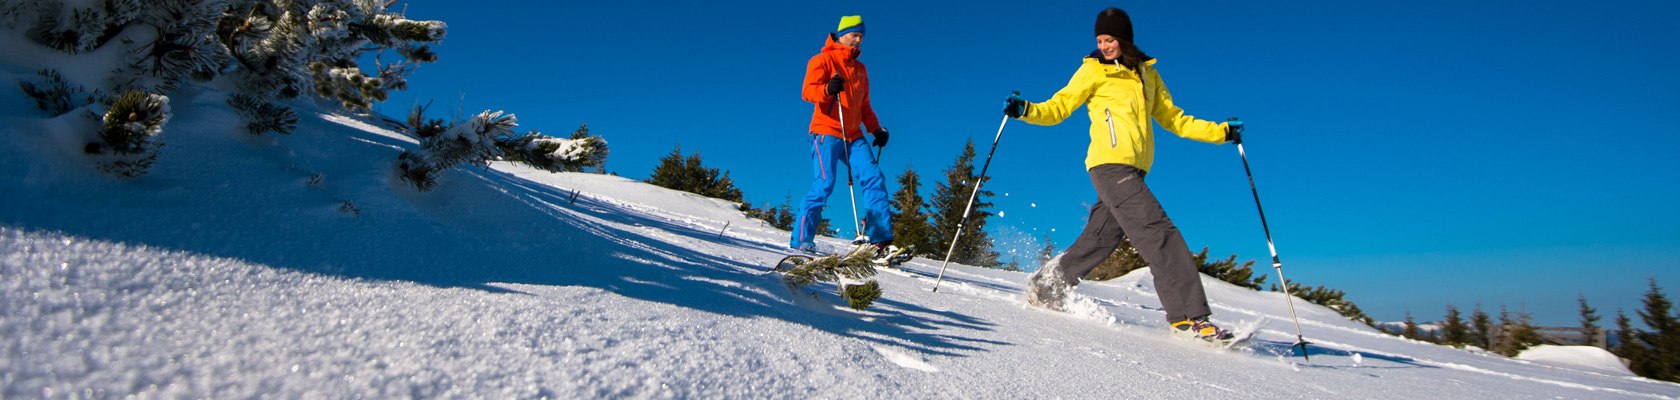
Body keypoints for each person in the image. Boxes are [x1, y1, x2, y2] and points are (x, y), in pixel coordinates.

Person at [1011, 7, 1245, 342]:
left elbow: (1175, 119)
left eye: (1110, 39)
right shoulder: (1092, 72)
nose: (1105, 46)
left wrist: (1221, 132)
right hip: (1109, 165)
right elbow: (1058, 107)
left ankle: (1046, 286)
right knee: (1158, 231)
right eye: (1100, 40)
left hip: (1134, 170)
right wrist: (1027, 110)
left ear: (1125, 39)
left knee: (1102, 237)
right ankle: (1190, 316)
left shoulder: (1147, 76)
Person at [790, 15, 899, 259]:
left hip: (853, 134)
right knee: (824, 184)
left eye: (862, 36)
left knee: (874, 177)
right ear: (842, 34)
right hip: (826, 130)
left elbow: (864, 106)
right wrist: (828, 89)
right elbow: (807, 92)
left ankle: (878, 240)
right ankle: (801, 242)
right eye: (855, 35)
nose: (859, 40)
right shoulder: (822, 60)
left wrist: (876, 130)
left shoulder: (860, 69)